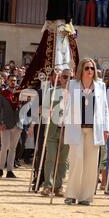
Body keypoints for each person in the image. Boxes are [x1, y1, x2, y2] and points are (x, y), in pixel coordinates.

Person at [64, 58, 109, 205]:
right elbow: (66, 105)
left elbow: (104, 108)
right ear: (81, 70)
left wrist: (106, 128)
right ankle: (71, 194)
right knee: (77, 160)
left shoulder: (101, 86)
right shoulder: (72, 85)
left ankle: (86, 196)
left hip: (94, 130)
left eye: (92, 68)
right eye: (87, 68)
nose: (90, 71)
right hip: (77, 128)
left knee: (91, 164)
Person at [40, 68, 71, 197]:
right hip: (53, 129)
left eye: (69, 77)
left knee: (63, 160)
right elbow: (44, 110)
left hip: (67, 130)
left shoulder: (75, 94)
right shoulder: (52, 92)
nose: (66, 79)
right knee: (51, 157)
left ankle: (58, 186)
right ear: (60, 78)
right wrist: (49, 113)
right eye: (64, 76)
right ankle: (48, 185)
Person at [0, 75, 22, 179]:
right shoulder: (2, 94)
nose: (13, 82)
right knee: (4, 146)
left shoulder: (20, 93)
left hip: (17, 124)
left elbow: (25, 107)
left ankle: (10, 170)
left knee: (13, 148)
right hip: (5, 124)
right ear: (7, 81)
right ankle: (0, 168)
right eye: (11, 80)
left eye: (15, 80)